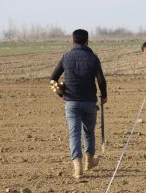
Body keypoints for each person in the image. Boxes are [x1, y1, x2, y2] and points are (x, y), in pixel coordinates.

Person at [50, 29, 107, 179]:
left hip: (71, 102)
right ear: (87, 41)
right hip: (89, 101)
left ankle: (78, 168)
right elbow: (101, 80)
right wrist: (104, 95)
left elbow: (53, 78)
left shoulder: (66, 57)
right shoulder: (93, 58)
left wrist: (61, 92)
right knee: (88, 132)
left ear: (73, 41)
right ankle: (89, 162)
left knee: (74, 134)